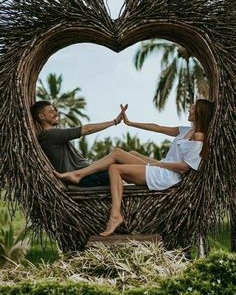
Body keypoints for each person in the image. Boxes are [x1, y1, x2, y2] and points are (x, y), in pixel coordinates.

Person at [55, 99, 215, 235]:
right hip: (162, 167)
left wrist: (158, 164)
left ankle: (115, 215)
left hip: (168, 175)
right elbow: (157, 127)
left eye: (193, 108)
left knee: (115, 169)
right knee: (122, 152)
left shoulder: (198, 136)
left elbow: (186, 167)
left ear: (200, 113)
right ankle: (78, 174)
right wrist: (130, 123)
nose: (190, 109)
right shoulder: (185, 130)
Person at [30, 100, 127, 187]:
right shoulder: (49, 135)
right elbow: (87, 129)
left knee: (131, 155)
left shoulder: (52, 135)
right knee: (117, 155)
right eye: (51, 112)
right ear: (41, 116)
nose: (56, 113)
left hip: (89, 173)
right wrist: (114, 122)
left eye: (55, 111)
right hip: (85, 178)